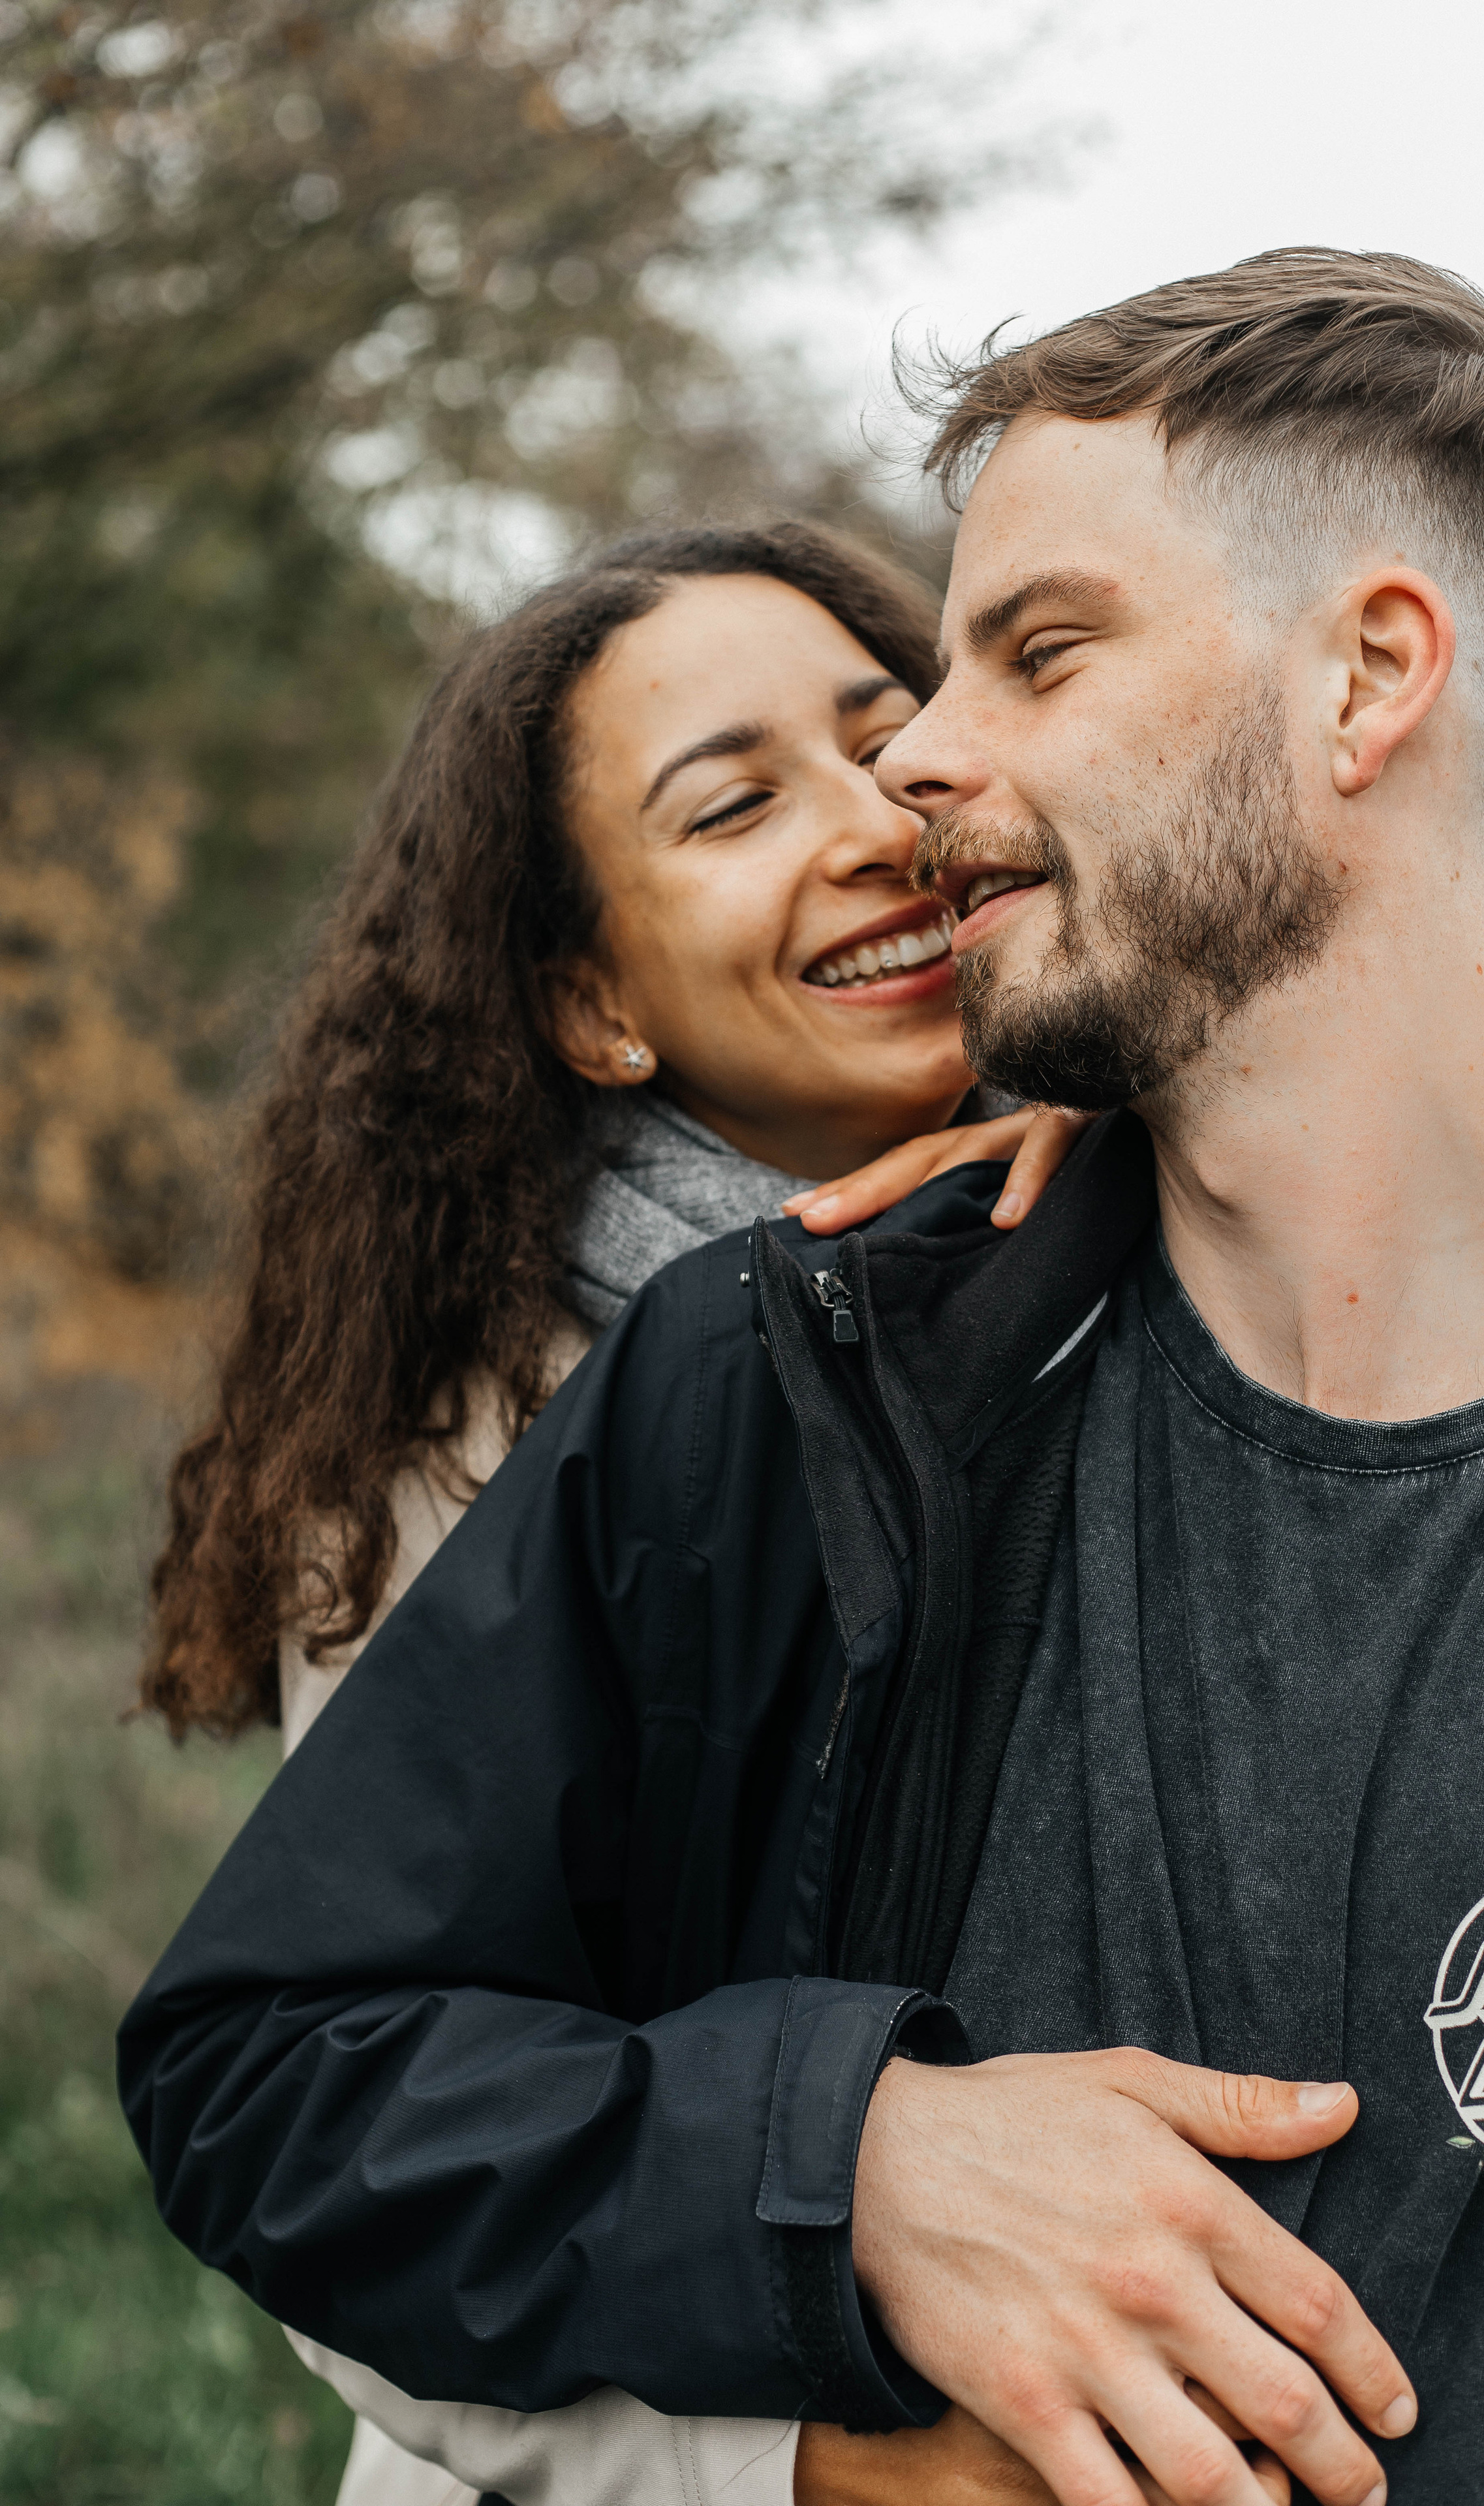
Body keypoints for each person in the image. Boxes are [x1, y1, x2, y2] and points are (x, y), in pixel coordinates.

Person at [118, 251, 1484, 2506]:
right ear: (596, 1006)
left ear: (1369, 677)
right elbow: (287, 2078)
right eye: (738, 800)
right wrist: (855, 2163)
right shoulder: (755, 1385)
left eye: (1028, 654)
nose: (916, 777)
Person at [138, 518, 1083, 2506]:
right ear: (599, 1011)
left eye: (888, 734)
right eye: (734, 805)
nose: (880, 820)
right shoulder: (491, 1448)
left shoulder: (1169, 1244)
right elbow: (358, 2140)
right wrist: (799, 2473)